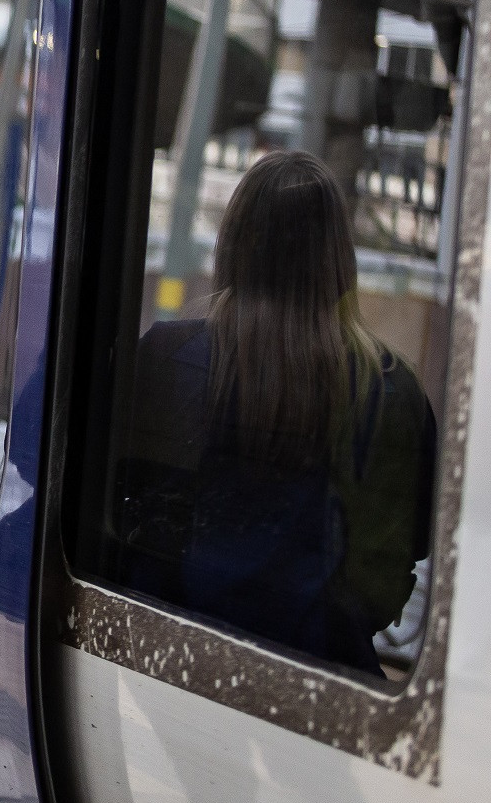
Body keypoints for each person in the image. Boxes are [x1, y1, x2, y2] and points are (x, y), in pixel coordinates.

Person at [120, 150, 438, 675]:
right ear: (340, 261)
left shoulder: (167, 356)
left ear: (234, 245)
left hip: (166, 656)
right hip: (331, 675)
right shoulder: (393, 389)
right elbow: (398, 558)